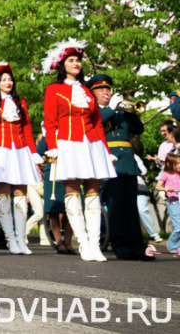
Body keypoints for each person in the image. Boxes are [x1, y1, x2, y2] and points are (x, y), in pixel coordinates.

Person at [42, 40, 115, 262]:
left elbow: (97, 123)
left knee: (94, 194)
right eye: (71, 60)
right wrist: (52, 147)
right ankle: (82, 243)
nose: (76, 64)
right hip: (68, 143)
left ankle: (94, 244)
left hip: (92, 145)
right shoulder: (54, 89)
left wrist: (105, 149)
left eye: (78, 60)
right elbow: (50, 121)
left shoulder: (85, 90)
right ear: (62, 64)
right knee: (72, 192)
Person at [0, 62, 42, 255]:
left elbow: (28, 129)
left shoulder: (20, 103)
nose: (8, 82)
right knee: (3, 196)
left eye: (10, 79)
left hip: (20, 151)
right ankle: (10, 239)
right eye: (4, 79)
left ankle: (21, 239)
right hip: (0, 151)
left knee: (21, 196)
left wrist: (33, 152)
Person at [89, 74, 150, 261]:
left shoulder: (120, 111)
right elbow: (96, 124)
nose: (106, 92)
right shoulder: (94, 112)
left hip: (128, 163)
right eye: (101, 89)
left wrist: (130, 111)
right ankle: (121, 247)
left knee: (131, 208)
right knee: (115, 209)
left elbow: (138, 129)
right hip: (110, 163)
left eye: (108, 89)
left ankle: (137, 248)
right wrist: (112, 108)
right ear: (93, 94)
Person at [155, 152, 180, 257]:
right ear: (170, 164)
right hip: (173, 202)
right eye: (178, 163)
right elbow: (157, 186)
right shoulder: (166, 174)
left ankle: (177, 247)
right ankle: (172, 246)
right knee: (179, 228)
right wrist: (166, 188)